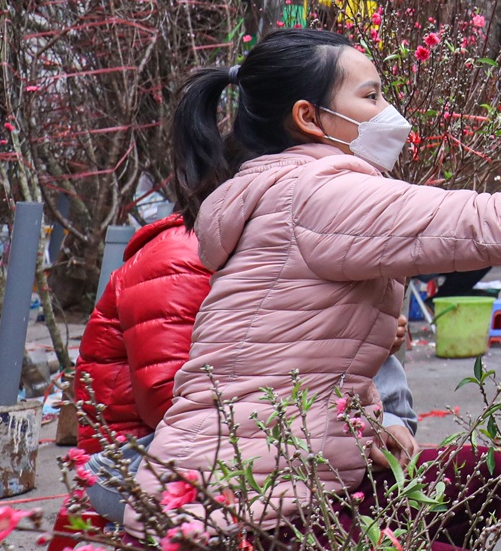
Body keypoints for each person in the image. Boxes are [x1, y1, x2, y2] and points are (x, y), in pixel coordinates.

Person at [132, 29, 501, 551]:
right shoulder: (318, 193)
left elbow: (297, 358)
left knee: (478, 475)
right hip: (244, 518)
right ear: (309, 117)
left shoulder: (284, 189)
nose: (391, 113)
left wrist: (367, 424)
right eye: (371, 97)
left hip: (270, 478)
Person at [70, 214, 418, 524]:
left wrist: (370, 336)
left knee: (370, 360)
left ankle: (383, 447)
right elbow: (171, 406)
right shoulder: (179, 257)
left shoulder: (261, 243)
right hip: (134, 458)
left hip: (232, 432)